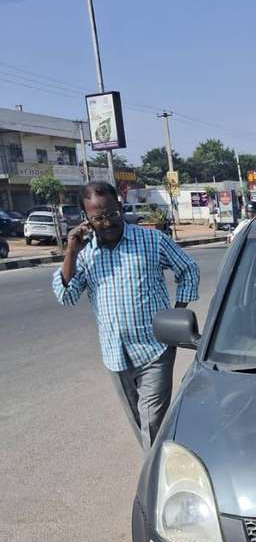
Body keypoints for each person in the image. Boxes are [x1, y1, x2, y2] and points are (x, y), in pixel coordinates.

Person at [53, 181, 200, 450]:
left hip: (155, 349)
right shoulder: (86, 256)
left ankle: (152, 484)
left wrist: (176, 314)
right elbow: (66, 296)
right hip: (115, 354)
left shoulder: (152, 240)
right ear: (86, 219)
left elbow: (188, 269)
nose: (107, 222)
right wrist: (71, 251)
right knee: (139, 423)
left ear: (120, 208)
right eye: (98, 217)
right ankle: (157, 466)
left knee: (153, 421)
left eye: (111, 214)